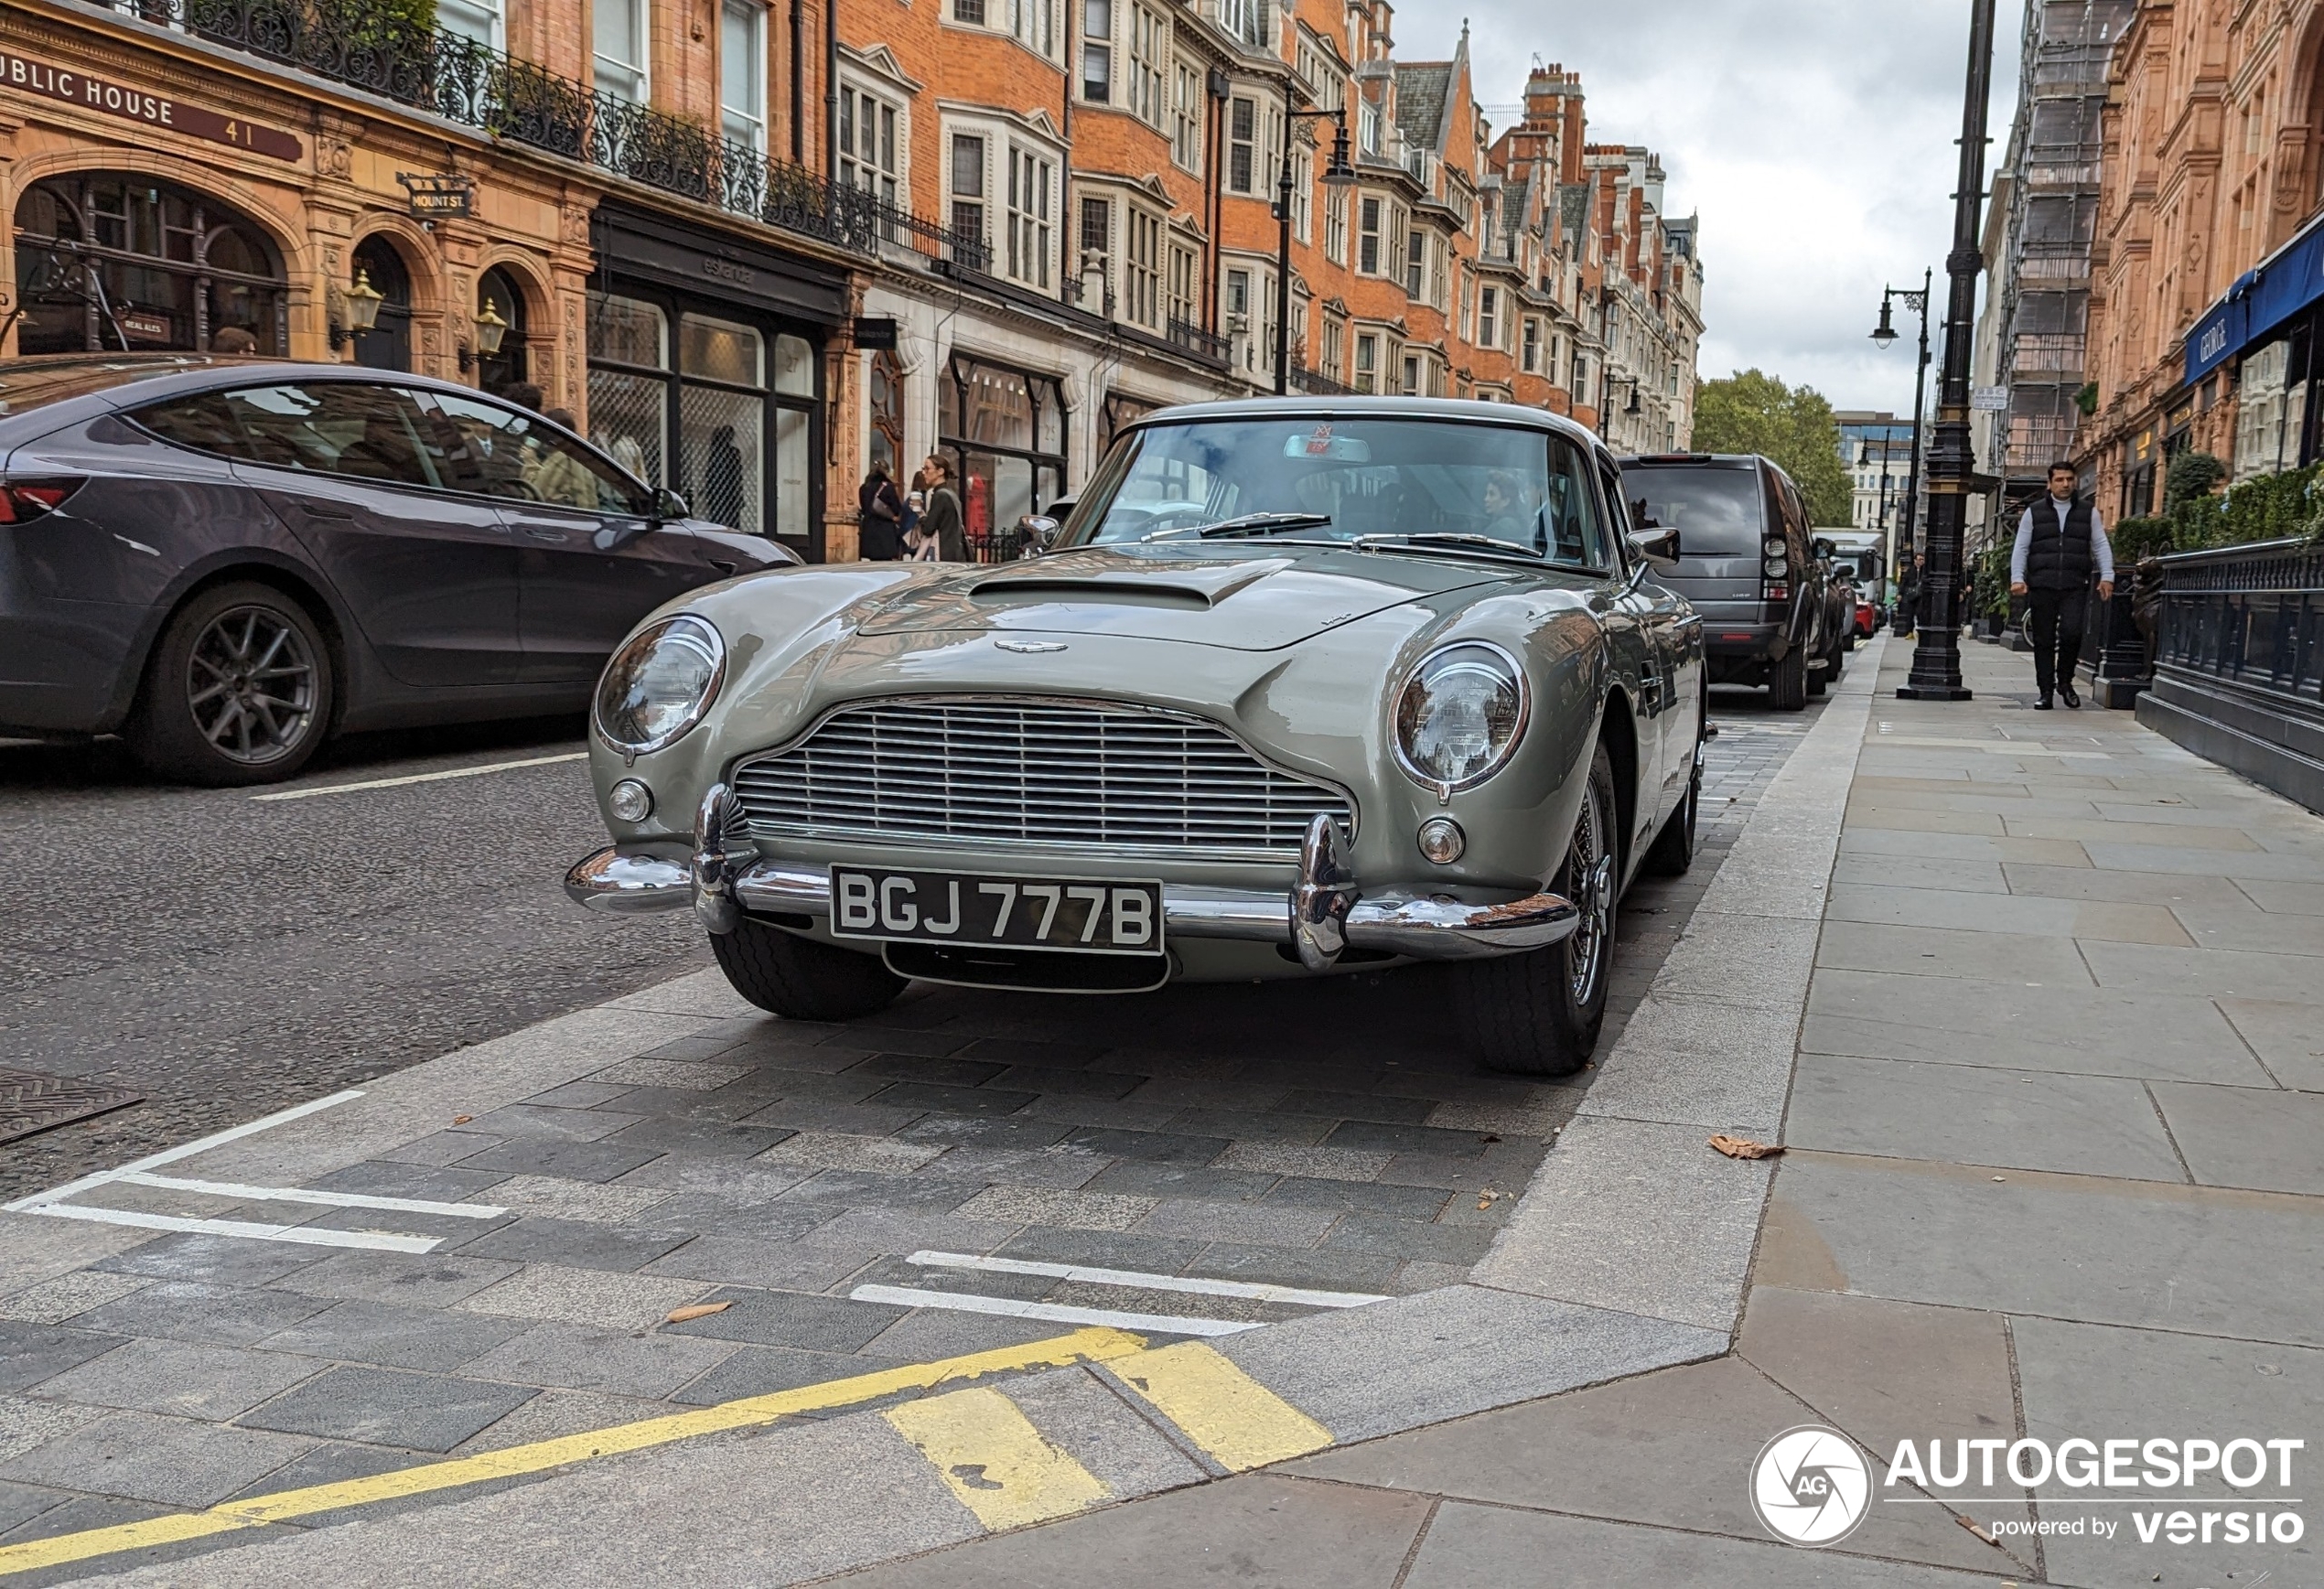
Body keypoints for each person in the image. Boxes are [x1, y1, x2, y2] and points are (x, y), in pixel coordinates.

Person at [2010, 461, 2114, 710]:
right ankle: (2045, 691)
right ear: (2050, 483)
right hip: (2042, 583)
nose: (2065, 484)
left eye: (2069, 479)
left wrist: (2107, 575)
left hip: (2074, 583)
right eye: (2059, 479)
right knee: (2044, 640)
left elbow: (2100, 544)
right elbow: (2021, 546)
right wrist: (2017, 577)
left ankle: (2065, 682)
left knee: (2073, 633)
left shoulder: (2088, 512)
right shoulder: (2033, 512)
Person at [919, 454, 967, 562]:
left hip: (943, 555)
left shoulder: (940, 495)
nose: (923, 473)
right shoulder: (951, 494)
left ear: (940, 471)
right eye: (923, 469)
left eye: (927, 469)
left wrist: (920, 515)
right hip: (954, 553)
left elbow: (928, 529)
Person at [857, 460, 904, 561]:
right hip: (885, 532)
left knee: (873, 565)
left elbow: (864, 508)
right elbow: (896, 508)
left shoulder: (864, 488)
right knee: (885, 566)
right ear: (886, 471)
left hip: (869, 530)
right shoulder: (888, 487)